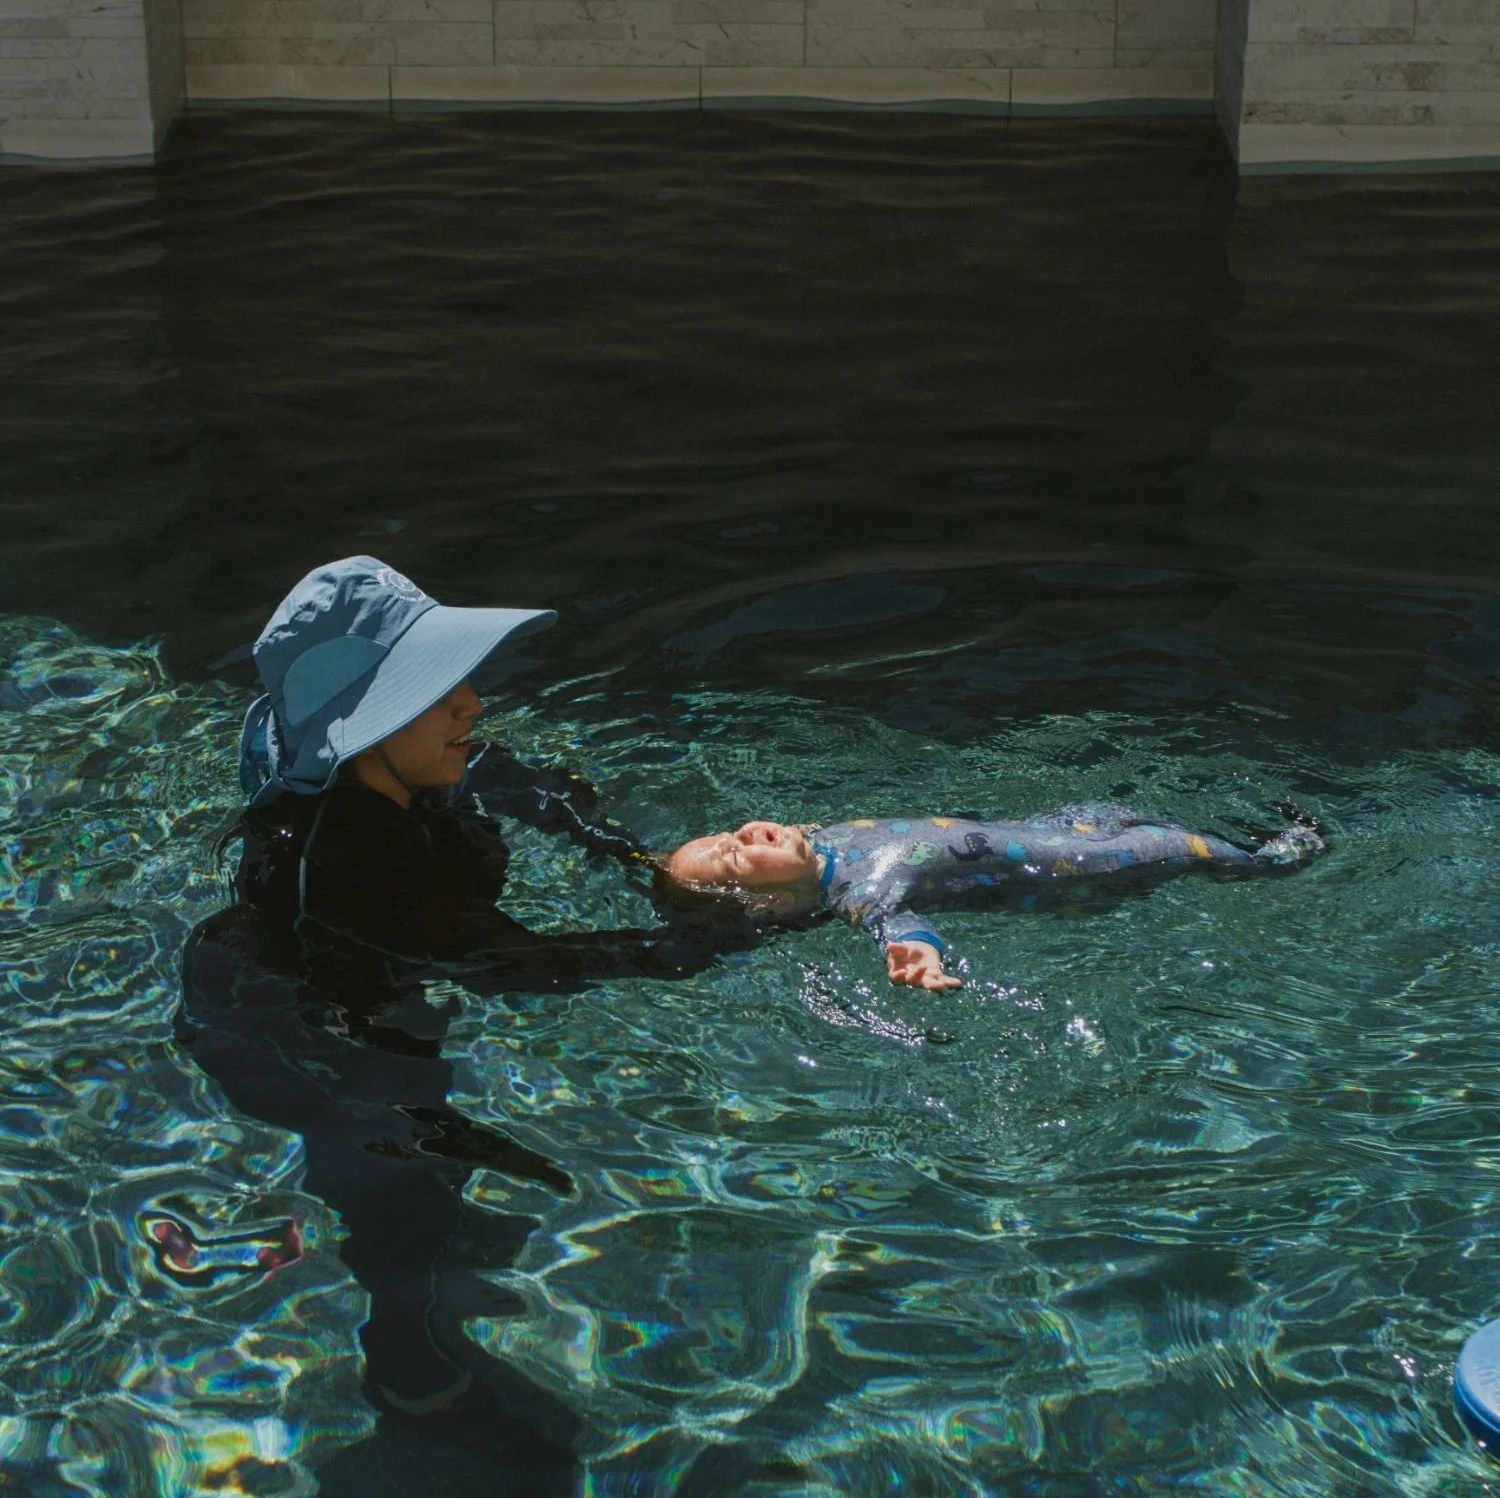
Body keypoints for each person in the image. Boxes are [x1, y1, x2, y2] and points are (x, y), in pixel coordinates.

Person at [178, 556, 708, 1418]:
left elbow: (526, 782)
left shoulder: (402, 770)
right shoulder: (354, 851)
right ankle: (410, 1363)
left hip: (376, 984)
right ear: (366, 724)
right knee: (395, 1160)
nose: (472, 704)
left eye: (460, 679)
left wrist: (644, 865)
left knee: (427, 1131)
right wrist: (702, 942)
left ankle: (436, 1250)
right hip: (306, 1030)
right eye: (436, 691)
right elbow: (508, 964)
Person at [658, 803, 1327, 993]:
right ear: (771, 907)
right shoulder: (863, 891)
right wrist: (916, 956)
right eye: (735, 858)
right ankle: (1278, 860)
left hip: (1055, 831)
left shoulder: (823, 841)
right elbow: (899, 925)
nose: (741, 834)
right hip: (1095, 868)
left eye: (724, 833)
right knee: (1189, 849)